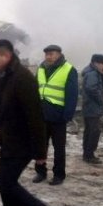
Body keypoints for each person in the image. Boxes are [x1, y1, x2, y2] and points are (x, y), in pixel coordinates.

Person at [0, 39, 51, 206]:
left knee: (6, 182)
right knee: (5, 182)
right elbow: (2, 105)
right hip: (10, 139)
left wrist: (41, 153)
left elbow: (36, 117)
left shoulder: (23, 78)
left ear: (6, 56)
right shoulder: (4, 75)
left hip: (23, 141)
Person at [33, 44, 78, 186]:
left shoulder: (69, 69)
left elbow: (72, 95)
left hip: (58, 116)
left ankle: (59, 175)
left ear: (59, 54)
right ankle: (40, 171)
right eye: (46, 54)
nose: (48, 56)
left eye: (51, 54)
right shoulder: (41, 68)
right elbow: (35, 89)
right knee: (40, 145)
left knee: (59, 147)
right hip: (41, 114)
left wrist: (67, 115)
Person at [82, 53, 103, 164]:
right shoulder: (92, 73)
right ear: (96, 63)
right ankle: (89, 155)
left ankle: (87, 153)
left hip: (89, 106)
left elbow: (102, 86)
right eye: (102, 63)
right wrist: (101, 101)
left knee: (89, 130)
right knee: (94, 131)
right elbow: (92, 89)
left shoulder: (93, 72)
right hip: (92, 107)